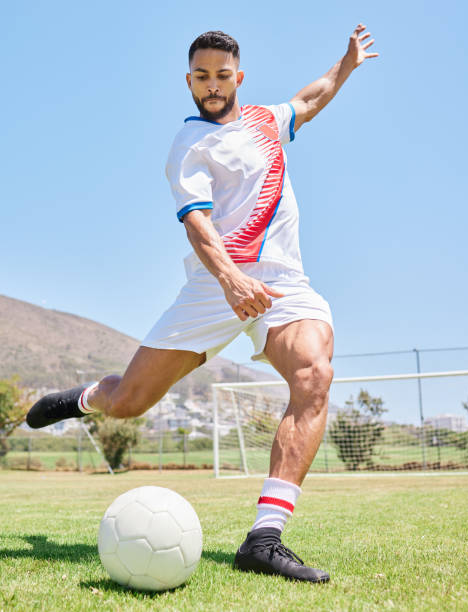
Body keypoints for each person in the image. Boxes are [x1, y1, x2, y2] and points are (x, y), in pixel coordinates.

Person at [27, 25, 378, 583]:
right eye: (201, 76)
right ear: (188, 80)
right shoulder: (188, 145)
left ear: (238, 77)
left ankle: (264, 539)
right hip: (213, 287)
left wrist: (348, 62)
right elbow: (198, 225)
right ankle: (87, 398)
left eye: (221, 75)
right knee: (131, 401)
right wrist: (232, 280)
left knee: (314, 374)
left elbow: (310, 99)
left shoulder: (266, 121)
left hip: (283, 283)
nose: (211, 85)